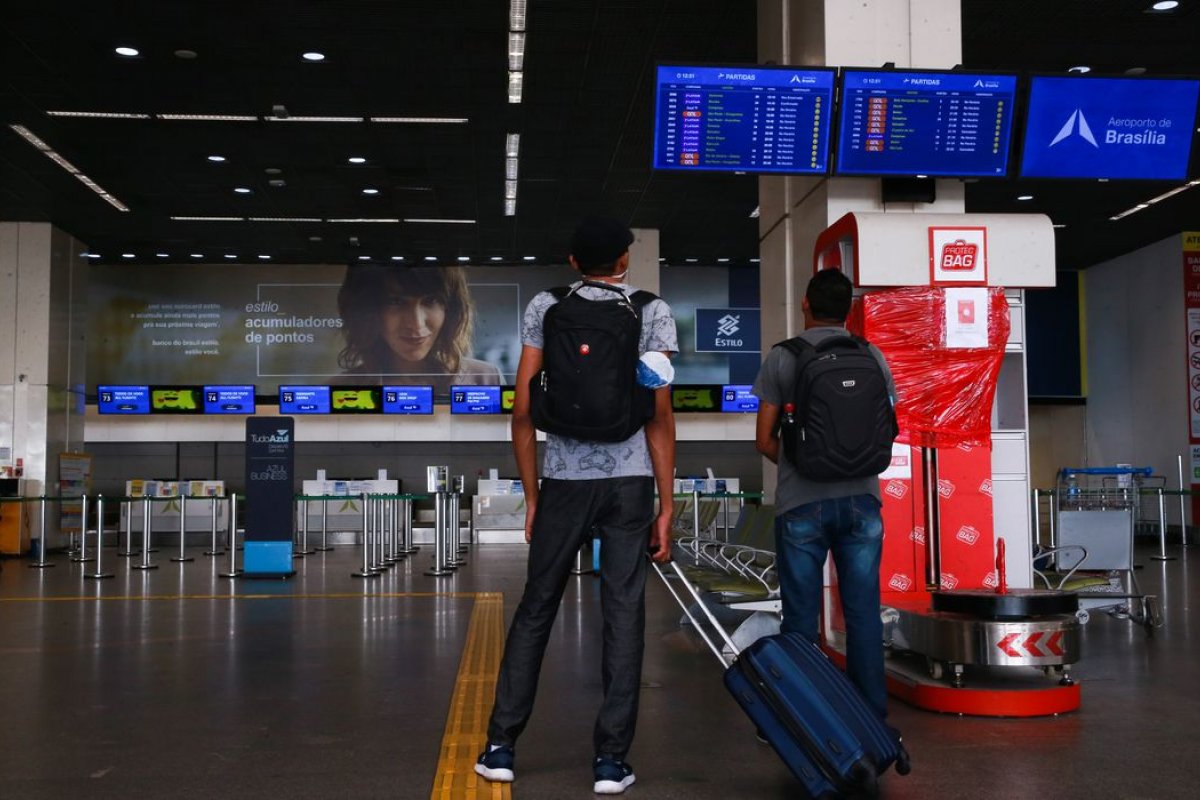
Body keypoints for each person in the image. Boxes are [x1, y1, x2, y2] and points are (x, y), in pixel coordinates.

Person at [475, 216, 677, 795]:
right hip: (630, 484)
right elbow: (660, 417)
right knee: (623, 613)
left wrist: (533, 497)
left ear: (572, 262)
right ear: (624, 260)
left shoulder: (547, 307)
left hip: (563, 480)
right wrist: (665, 505)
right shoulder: (651, 311)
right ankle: (610, 761)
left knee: (536, 607)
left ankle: (501, 747)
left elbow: (522, 412)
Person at [751, 268, 895, 720]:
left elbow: (763, 439)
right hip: (863, 504)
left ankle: (805, 717)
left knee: (799, 617)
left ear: (805, 305)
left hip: (801, 506)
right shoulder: (871, 355)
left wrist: (801, 465)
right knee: (863, 613)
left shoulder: (783, 357)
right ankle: (871, 716)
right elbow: (886, 427)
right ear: (849, 310)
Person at [336, 264, 501, 396]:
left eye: (431, 300)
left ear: (450, 309)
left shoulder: (485, 378)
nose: (416, 324)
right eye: (396, 302)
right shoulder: (339, 389)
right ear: (369, 312)